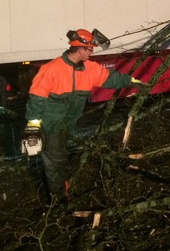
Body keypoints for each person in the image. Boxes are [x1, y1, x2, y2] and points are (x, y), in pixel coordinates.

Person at [25, 28, 141, 202]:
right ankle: (58, 200)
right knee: (56, 162)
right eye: (90, 50)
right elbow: (36, 98)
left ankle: (58, 189)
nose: (91, 53)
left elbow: (111, 78)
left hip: (68, 124)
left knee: (59, 159)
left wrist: (132, 82)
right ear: (81, 49)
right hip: (51, 124)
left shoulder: (89, 69)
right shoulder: (51, 69)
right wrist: (33, 125)